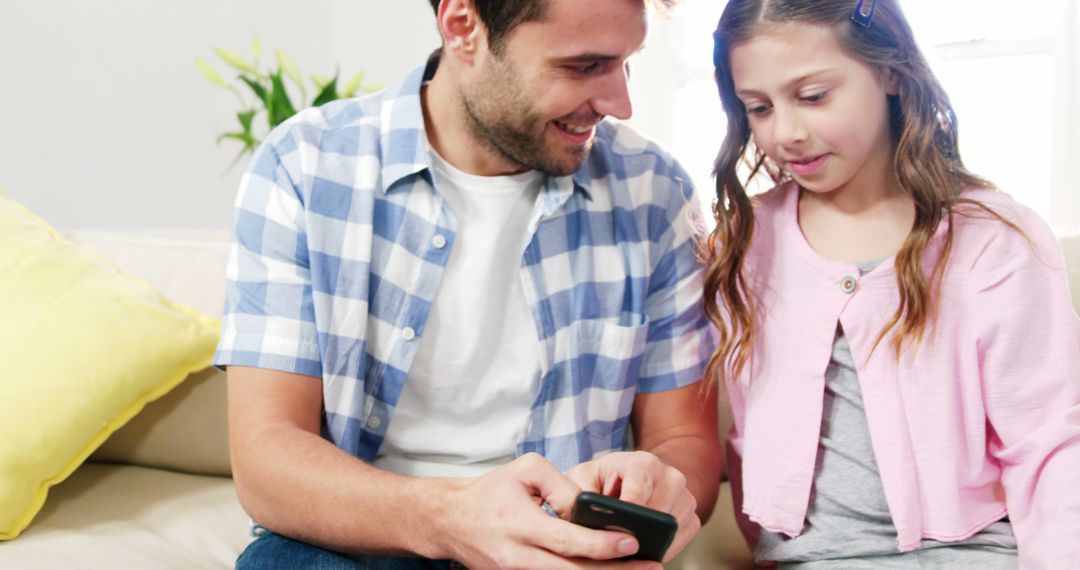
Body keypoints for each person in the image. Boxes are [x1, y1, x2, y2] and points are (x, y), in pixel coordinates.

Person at [213, 0, 723, 568]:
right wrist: (454, 520)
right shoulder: (306, 166)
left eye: (627, 62)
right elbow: (267, 461)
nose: (619, 103)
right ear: (463, 28)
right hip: (363, 536)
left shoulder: (654, 191)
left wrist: (663, 485)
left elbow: (687, 441)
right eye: (583, 67)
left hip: (562, 544)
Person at [704, 0, 1080, 567]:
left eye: (812, 96)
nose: (786, 133)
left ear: (890, 72)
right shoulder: (747, 241)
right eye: (757, 107)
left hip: (981, 553)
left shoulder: (993, 237)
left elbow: (1051, 441)